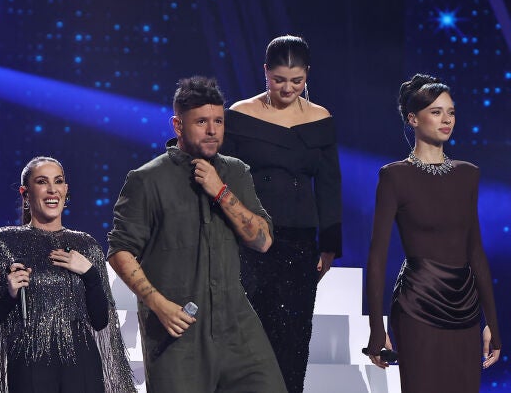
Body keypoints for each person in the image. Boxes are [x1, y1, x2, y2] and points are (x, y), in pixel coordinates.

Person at [107, 76, 287, 393]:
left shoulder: (236, 172)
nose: (212, 130)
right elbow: (120, 250)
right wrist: (158, 305)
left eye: (218, 121)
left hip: (237, 326)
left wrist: (221, 192)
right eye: (201, 122)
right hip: (178, 332)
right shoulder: (147, 180)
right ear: (178, 125)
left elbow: (263, 240)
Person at [219, 35, 341, 392]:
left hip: (299, 241)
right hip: (249, 238)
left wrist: (329, 244)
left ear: (307, 75)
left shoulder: (320, 119)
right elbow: (224, 179)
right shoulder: (240, 115)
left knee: (292, 335)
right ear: (265, 73)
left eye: (297, 81)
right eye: (279, 80)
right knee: (245, 333)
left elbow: (330, 184)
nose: (288, 88)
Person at [365, 74, 502, 392]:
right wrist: (376, 327)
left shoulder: (468, 175)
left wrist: (492, 324)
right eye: (436, 112)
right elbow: (377, 257)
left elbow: (476, 252)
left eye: (451, 112)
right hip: (417, 307)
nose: (447, 119)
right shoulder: (394, 177)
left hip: (465, 308)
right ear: (413, 118)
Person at [0, 156, 135, 393]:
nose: (52, 189)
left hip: (82, 365)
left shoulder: (87, 245)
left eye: (58, 181)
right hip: (30, 363)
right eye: (42, 182)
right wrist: (10, 294)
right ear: (25, 193)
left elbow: (100, 321)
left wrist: (91, 274)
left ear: (66, 190)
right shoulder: (3, 242)